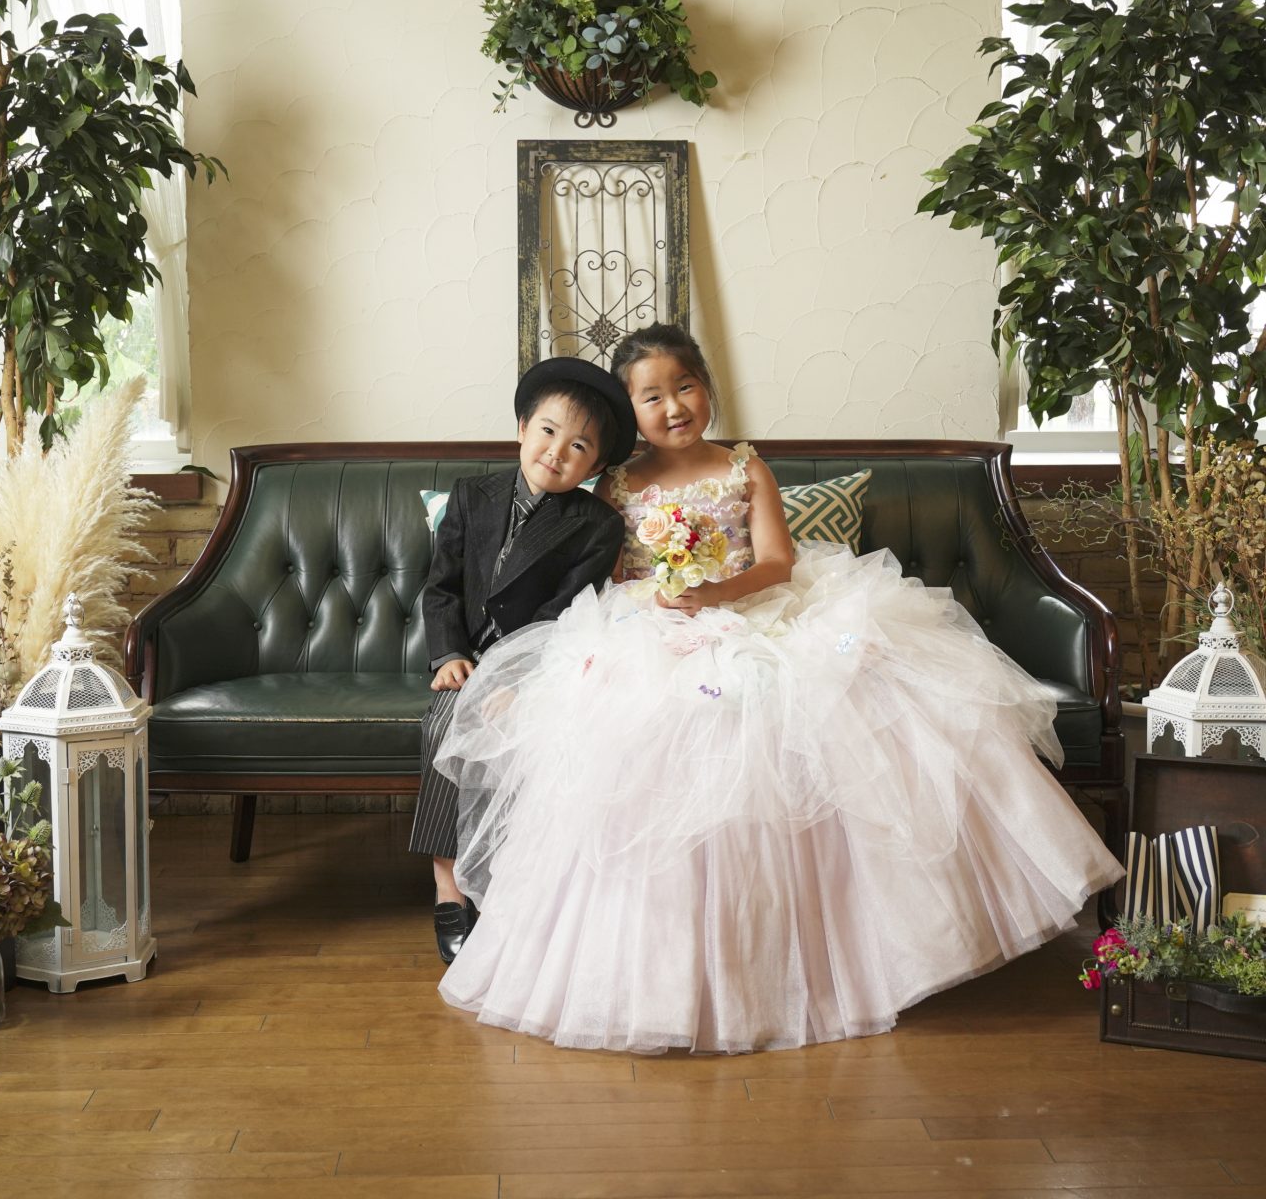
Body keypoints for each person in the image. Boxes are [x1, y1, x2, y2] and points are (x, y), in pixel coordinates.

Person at [434, 323, 1124, 1051]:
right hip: (649, 623)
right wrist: (659, 600)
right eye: (651, 397)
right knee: (641, 724)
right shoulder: (617, 483)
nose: (673, 406)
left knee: (847, 698)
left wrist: (714, 593)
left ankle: (839, 943)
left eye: (685, 387)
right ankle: (660, 958)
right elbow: (605, 571)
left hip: (758, 611)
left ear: (708, 388)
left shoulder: (745, 466)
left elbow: (775, 563)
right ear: (627, 414)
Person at [409, 356, 636, 964]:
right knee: (447, 720)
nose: (557, 452)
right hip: (465, 657)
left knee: (518, 729)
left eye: (579, 445)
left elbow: (565, 613)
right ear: (521, 428)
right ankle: (449, 884)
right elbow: (441, 587)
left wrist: (517, 677)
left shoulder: (597, 525)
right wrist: (449, 653)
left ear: (597, 466)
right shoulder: (472, 495)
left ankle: (509, 885)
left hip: (536, 661)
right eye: (548, 431)